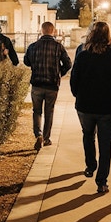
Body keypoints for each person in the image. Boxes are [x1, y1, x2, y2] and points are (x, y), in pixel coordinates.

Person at [70, 21, 111, 194]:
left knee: (88, 136)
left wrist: (78, 95)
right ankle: (102, 180)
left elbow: (74, 79)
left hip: (85, 105)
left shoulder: (82, 55)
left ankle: (90, 165)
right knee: (105, 144)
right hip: (107, 107)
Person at [24, 22, 72, 151]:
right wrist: (59, 73)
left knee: (37, 111)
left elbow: (26, 61)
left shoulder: (33, 46)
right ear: (53, 31)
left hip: (37, 83)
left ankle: (38, 135)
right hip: (52, 84)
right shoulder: (58, 47)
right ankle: (46, 138)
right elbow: (68, 63)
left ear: (42, 30)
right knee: (49, 112)